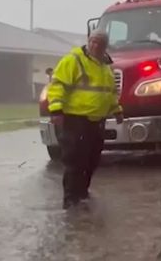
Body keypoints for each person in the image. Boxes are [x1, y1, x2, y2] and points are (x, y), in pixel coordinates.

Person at [47, 30, 123, 209]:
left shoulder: (105, 67)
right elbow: (58, 85)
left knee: (92, 160)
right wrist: (56, 110)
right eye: (93, 42)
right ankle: (70, 200)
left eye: (100, 43)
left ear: (105, 47)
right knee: (75, 161)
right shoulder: (74, 60)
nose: (96, 46)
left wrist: (117, 111)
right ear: (88, 42)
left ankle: (82, 194)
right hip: (75, 120)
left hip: (96, 122)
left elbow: (109, 93)